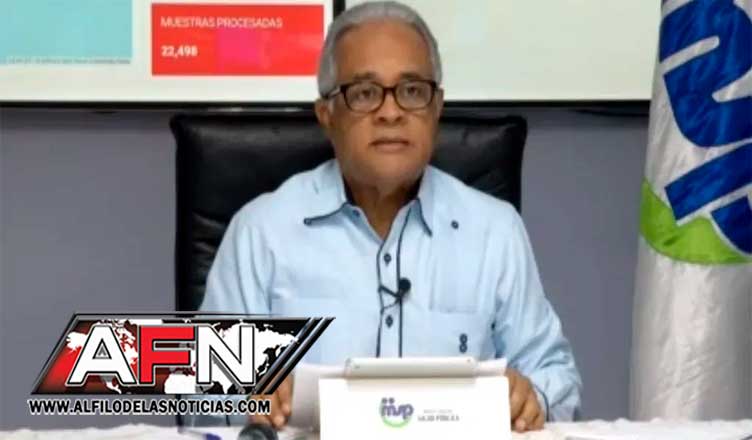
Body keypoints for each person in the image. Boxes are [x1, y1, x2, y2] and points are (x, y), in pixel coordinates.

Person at [201, 0, 582, 432]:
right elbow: (204, 401)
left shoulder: (494, 231)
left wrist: (531, 396)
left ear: (437, 108)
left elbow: (557, 378)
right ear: (327, 115)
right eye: (364, 93)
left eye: (412, 90)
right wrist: (251, 395)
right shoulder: (262, 232)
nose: (390, 112)